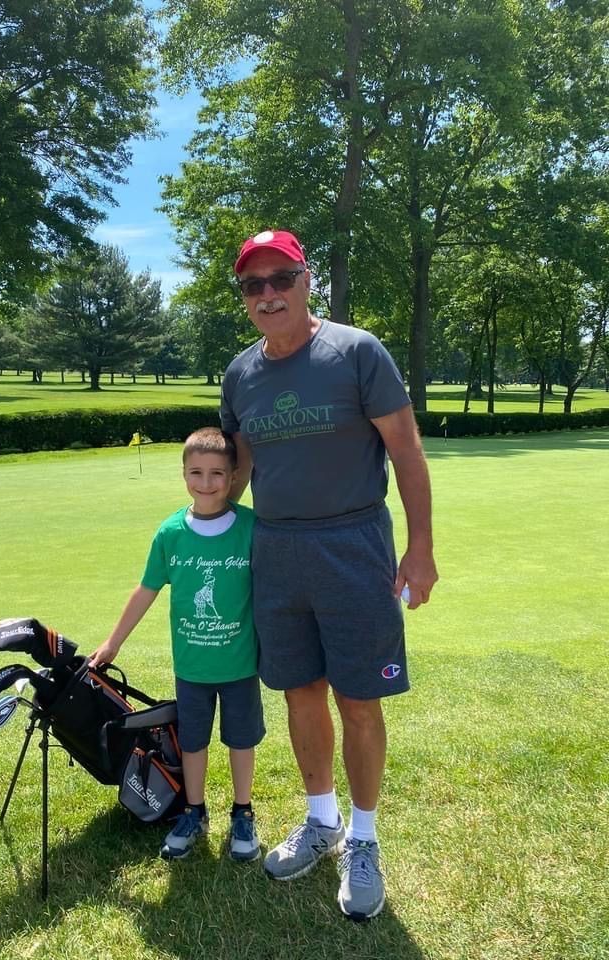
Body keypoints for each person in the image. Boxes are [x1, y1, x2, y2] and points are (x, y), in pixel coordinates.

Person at [221, 229, 438, 920]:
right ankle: (322, 821)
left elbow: (406, 451)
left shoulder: (356, 351)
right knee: (300, 690)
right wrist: (205, 526)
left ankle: (364, 840)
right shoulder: (239, 374)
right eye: (253, 285)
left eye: (280, 278)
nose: (268, 294)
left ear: (306, 279)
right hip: (277, 550)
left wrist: (420, 549)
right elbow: (241, 465)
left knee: (358, 698)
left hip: (354, 543)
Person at [90, 427, 265, 863]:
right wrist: (113, 643)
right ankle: (194, 811)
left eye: (217, 473)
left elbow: (275, 590)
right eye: (196, 473)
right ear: (184, 474)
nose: (206, 483)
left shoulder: (250, 527)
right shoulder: (171, 532)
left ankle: (242, 812)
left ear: (233, 475)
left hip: (241, 664)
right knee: (192, 742)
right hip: (192, 667)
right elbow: (146, 590)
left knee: (241, 740)